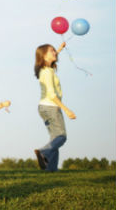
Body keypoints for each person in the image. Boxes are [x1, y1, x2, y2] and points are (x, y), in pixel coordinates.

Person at [34, 42, 75, 172]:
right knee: (61, 136)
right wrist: (66, 109)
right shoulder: (47, 73)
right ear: (44, 56)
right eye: (51, 51)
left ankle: (51, 169)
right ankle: (43, 152)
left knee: (54, 138)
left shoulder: (45, 69)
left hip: (44, 108)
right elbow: (52, 95)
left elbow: (53, 55)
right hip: (51, 107)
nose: (54, 53)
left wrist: (59, 49)